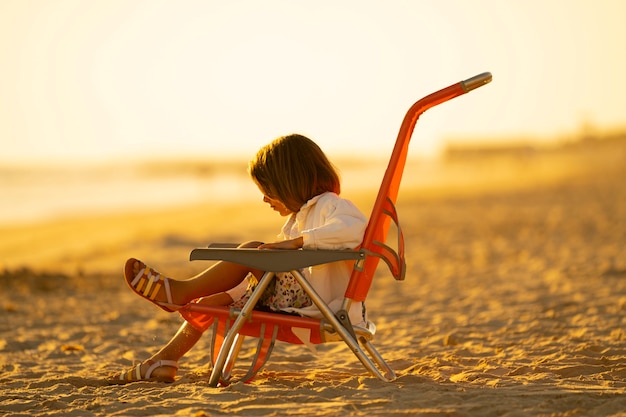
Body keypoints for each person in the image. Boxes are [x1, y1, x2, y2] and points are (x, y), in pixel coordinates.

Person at [114, 133, 368, 383]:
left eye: (268, 190)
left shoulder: (331, 205)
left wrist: (298, 241)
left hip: (314, 304)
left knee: (252, 249)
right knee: (215, 300)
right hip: (299, 295)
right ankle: (164, 361)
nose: (264, 199)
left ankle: (180, 293)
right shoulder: (303, 216)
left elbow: (353, 228)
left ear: (290, 182)